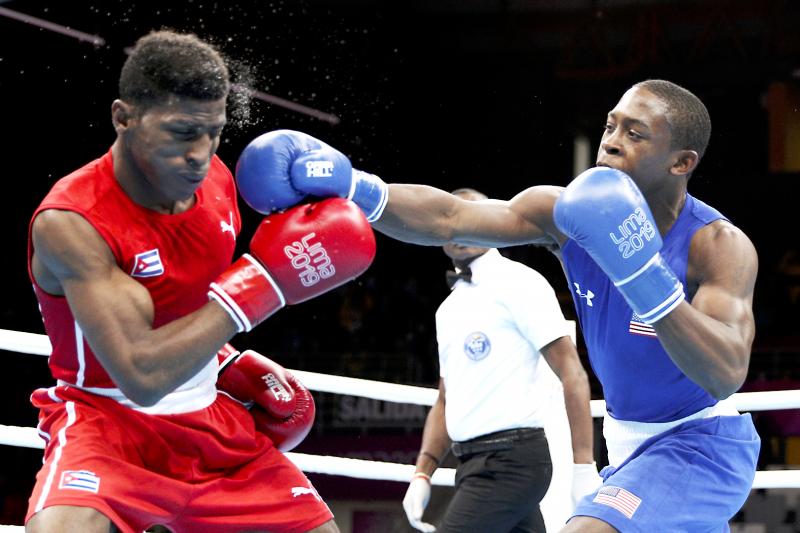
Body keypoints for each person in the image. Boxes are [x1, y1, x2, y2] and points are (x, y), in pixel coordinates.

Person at [235, 78, 762, 532]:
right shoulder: (565, 214)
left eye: (635, 133)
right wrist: (356, 187)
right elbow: (451, 219)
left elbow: (725, 373)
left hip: (700, 441)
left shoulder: (716, 246)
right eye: (610, 126)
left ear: (681, 162)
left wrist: (645, 278)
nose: (611, 143)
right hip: (626, 442)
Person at [25, 30, 377, 533]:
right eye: (183, 132)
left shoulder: (216, 183)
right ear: (123, 118)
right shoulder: (74, 221)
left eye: (214, 132)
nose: (201, 152)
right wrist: (263, 285)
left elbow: (186, 303)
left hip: (212, 426)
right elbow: (141, 375)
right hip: (109, 424)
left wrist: (224, 359)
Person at [400, 188, 596, 533]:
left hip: (511, 462)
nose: (462, 226)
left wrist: (583, 466)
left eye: (470, 214)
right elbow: (445, 399)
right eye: (453, 216)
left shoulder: (521, 283)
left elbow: (572, 373)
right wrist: (422, 473)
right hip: (472, 462)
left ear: (490, 220)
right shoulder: (448, 309)